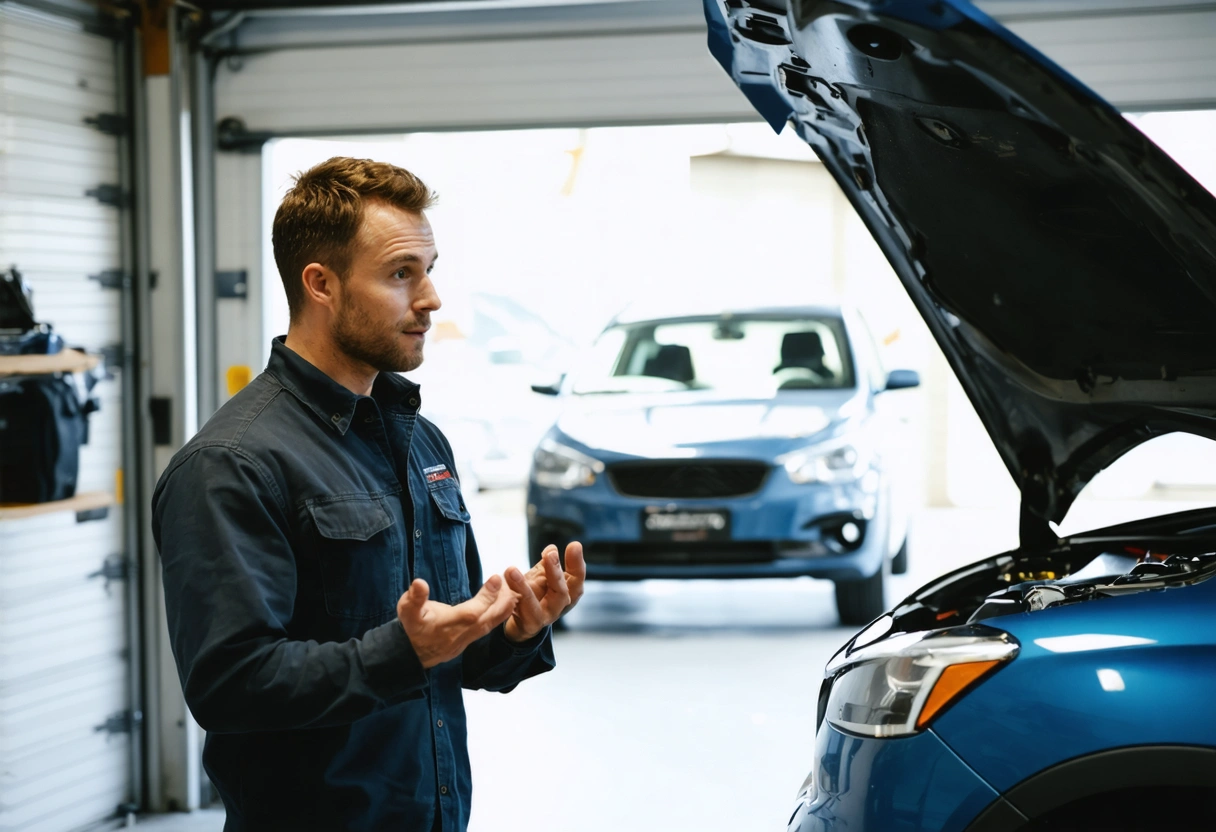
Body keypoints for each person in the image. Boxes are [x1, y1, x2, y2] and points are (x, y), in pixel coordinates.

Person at [152, 156, 585, 832]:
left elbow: (456, 654)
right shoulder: (231, 464)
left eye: (429, 268)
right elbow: (230, 686)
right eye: (400, 274)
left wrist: (514, 630)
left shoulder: (421, 444)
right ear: (320, 284)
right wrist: (403, 651)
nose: (431, 299)